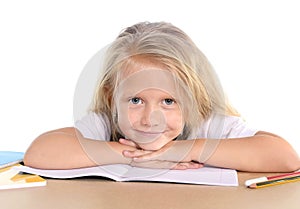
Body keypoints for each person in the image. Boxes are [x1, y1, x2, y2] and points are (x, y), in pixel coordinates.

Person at [24, 21, 299, 172]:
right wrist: (133, 156)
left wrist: (177, 150)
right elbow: (41, 152)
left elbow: (284, 157)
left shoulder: (207, 124)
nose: (149, 120)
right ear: (112, 96)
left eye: (168, 101)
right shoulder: (107, 123)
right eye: (136, 100)